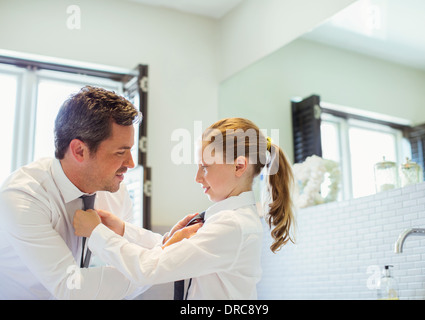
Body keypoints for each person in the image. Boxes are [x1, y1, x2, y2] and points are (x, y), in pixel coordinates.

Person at [0, 86, 197, 300]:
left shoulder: (114, 190)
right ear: (79, 151)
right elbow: (72, 288)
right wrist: (159, 262)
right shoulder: (23, 198)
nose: (131, 164)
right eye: (121, 152)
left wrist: (163, 245)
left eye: (130, 150)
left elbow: (125, 261)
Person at [73, 117, 295, 299]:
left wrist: (96, 233)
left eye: (205, 167)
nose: (197, 177)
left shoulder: (232, 226)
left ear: (239, 166)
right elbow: (169, 249)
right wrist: (123, 229)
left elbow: (148, 269)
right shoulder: (225, 220)